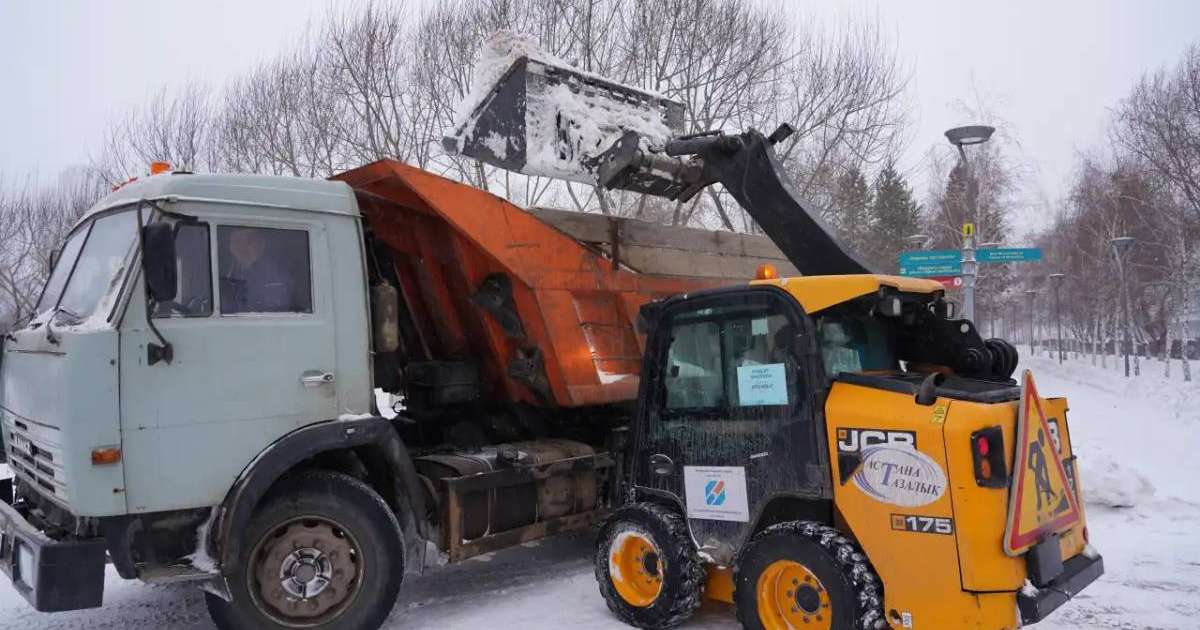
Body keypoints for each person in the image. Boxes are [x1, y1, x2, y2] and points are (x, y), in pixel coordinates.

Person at [219, 228, 298, 313]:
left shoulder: (279, 277)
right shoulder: (218, 271)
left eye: (248, 240)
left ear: (261, 243)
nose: (242, 247)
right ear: (230, 246)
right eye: (237, 241)